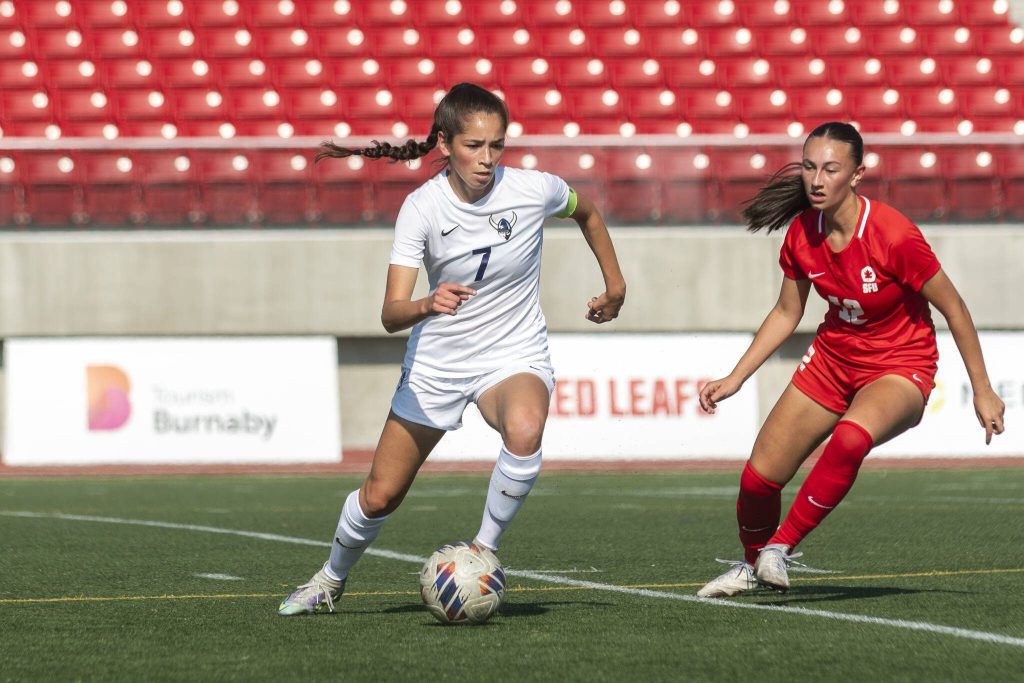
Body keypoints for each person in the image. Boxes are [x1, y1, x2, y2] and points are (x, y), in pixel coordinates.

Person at [278, 82, 627, 615]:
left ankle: (482, 551)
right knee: (380, 495)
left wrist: (616, 285)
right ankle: (329, 579)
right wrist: (427, 302)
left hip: (511, 352)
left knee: (527, 428)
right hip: (437, 364)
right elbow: (391, 314)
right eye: (473, 146)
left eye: (497, 146)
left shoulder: (535, 188)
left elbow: (587, 214)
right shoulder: (421, 208)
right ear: (444, 143)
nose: (487, 159)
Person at [696, 122, 1005, 598]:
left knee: (849, 438)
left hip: (900, 366)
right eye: (809, 167)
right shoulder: (802, 232)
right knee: (758, 481)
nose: (817, 180)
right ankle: (750, 565)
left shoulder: (893, 234)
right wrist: (736, 377)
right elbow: (786, 312)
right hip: (832, 362)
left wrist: (983, 390)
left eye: (831, 169)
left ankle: (779, 549)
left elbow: (954, 307)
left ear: (857, 174)